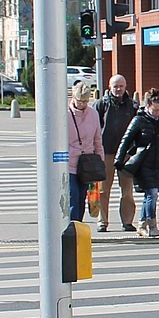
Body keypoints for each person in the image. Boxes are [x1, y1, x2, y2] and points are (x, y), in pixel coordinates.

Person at [114, 89, 159, 238]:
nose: (158, 113)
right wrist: (119, 159)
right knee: (152, 193)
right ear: (147, 106)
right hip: (143, 164)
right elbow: (126, 140)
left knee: (151, 194)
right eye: (155, 110)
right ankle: (152, 225)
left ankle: (141, 224)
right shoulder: (139, 120)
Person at [96, 75, 139, 232]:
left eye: (121, 86)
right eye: (115, 86)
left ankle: (127, 221)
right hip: (105, 152)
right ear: (109, 86)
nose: (118, 89)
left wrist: (133, 150)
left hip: (126, 154)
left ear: (125, 86)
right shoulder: (101, 104)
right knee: (103, 189)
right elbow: (95, 127)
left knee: (127, 191)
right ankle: (102, 221)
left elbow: (138, 128)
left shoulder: (132, 106)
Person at [67, 81, 104, 223]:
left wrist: (100, 163)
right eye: (79, 101)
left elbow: (97, 140)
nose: (82, 104)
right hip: (70, 164)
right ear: (73, 98)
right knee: (73, 198)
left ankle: (78, 228)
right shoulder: (65, 114)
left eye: (85, 101)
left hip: (87, 166)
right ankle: (70, 229)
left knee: (82, 199)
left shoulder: (93, 114)